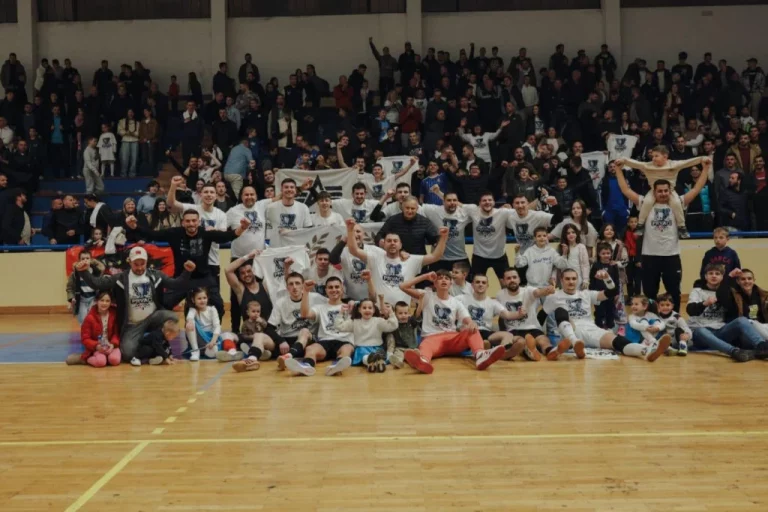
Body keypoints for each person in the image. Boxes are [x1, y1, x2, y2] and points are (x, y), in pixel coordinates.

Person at [615, 159, 711, 311]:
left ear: (670, 190)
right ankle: (652, 320)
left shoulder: (678, 202)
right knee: (649, 293)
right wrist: (619, 170)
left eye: (666, 191)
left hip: (671, 256)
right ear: (654, 191)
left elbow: (697, 188)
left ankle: (674, 320)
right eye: (660, 191)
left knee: (674, 293)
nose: (663, 193)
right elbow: (625, 190)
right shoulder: (644, 203)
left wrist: (705, 168)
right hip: (650, 256)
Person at [73, 247, 194, 362]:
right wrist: (84, 272)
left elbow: (176, 284)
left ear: (146, 262)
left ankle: (156, 340)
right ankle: (154, 348)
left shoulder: (155, 275)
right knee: (127, 353)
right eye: (136, 264)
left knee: (172, 317)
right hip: (132, 325)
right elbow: (98, 284)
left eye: (143, 264)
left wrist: (187, 272)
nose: (140, 268)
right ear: (130, 262)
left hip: (153, 318)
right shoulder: (120, 278)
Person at [125, 209, 251, 318]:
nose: (191, 224)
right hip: (181, 279)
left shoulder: (206, 233)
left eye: (194, 221)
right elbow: (153, 234)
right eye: (188, 221)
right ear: (183, 222)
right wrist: (135, 227)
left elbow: (228, 236)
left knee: (219, 307)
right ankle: (162, 338)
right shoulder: (174, 233)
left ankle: (210, 335)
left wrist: (243, 228)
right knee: (161, 305)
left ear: (198, 221)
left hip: (203, 278)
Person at [543, 268, 670, 362]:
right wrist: (538, 337)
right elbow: (541, 315)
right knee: (561, 310)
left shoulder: (586, 294)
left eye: (574, 278)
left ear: (578, 280)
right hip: (569, 331)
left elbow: (612, 292)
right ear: (561, 280)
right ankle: (575, 342)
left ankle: (646, 352)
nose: (571, 282)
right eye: (567, 279)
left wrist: (607, 278)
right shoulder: (554, 296)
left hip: (590, 328)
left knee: (615, 340)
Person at [398, 270, 506, 374]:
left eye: (446, 278)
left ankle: (480, 355)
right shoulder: (427, 296)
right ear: (435, 283)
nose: (444, 280)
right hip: (432, 338)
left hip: (452, 339)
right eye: (440, 278)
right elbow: (403, 286)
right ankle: (423, 361)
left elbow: (468, 320)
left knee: (473, 329)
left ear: (451, 283)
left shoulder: (456, 302)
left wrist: (472, 324)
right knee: (426, 345)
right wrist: (425, 277)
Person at [346, 218, 448, 306]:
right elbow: (353, 250)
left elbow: (436, 256)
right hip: (380, 310)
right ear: (383, 244)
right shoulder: (375, 258)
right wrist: (350, 230)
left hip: (402, 312)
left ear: (400, 245)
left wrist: (443, 238)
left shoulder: (411, 260)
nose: (392, 243)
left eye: (395, 241)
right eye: (389, 241)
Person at [615, 149, 707, 238]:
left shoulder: (674, 165)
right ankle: (640, 225)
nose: (653, 158)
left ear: (665, 156)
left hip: (670, 191)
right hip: (653, 191)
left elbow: (689, 162)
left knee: (676, 203)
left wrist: (702, 159)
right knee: (646, 202)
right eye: (652, 156)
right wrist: (623, 160)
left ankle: (682, 227)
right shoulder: (647, 165)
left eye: (656, 156)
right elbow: (634, 163)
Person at [686, 264, 767, 362]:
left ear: (722, 277)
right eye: (710, 273)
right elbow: (690, 310)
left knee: (741, 321)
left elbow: (723, 293)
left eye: (717, 274)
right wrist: (704, 304)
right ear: (705, 276)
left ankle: (763, 347)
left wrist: (730, 277)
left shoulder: (727, 293)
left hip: (720, 331)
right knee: (701, 331)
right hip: (700, 333)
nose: (714, 276)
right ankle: (734, 352)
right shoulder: (697, 291)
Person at [495, 268, 562, 361]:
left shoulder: (528, 290)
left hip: (532, 327)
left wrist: (547, 290)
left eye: (514, 277)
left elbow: (538, 292)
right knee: (518, 342)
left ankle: (550, 351)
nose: (512, 280)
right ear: (504, 281)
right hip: (513, 329)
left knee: (543, 340)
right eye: (508, 278)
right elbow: (499, 314)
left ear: (519, 279)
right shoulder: (500, 295)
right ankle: (528, 350)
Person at [457, 273, 526, 359]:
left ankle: (501, 353)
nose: (480, 284)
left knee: (508, 335)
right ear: (472, 285)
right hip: (468, 332)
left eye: (483, 282)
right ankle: (485, 349)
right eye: (477, 282)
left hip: (486, 332)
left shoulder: (492, 302)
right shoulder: (461, 299)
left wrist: (519, 314)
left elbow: (507, 315)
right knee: (483, 341)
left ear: (487, 285)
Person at [419, 191, 472, 273]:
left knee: (468, 284)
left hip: (459, 257)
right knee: (432, 285)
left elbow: (479, 211)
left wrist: (439, 193)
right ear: (443, 202)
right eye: (449, 200)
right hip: (438, 257)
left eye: (455, 200)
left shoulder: (464, 213)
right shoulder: (434, 210)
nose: (452, 203)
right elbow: (413, 206)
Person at [71, 291, 121, 368]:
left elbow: (116, 334)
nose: (104, 303)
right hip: (97, 347)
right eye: (102, 300)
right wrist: (97, 346)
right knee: (101, 362)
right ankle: (86, 359)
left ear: (111, 302)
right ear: (96, 301)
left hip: (111, 346)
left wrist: (112, 345)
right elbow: (85, 338)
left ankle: (107, 358)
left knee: (115, 360)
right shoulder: (89, 318)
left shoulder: (114, 314)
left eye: (107, 301)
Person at [66, 249, 105, 325]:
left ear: (91, 260)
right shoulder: (75, 274)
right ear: (79, 261)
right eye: (82, 259)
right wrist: (72, 298)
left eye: (87, 258)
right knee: (83, 321)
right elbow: (70, 288)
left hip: (93, 299)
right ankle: (85, 336)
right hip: (81, 300)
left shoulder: (96, 272)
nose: (85, 260)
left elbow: (101, 285)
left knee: (94, 320)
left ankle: (93, 335)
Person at [185, 287, 222, 361]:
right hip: (198, 339)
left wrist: (213, 341)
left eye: (204, 298)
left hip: (210, 339)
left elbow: (217, 326)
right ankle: (195, 350)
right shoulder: (193, 310)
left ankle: (205, 350)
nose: (202, 301)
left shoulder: (212, 309)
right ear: (193, 300)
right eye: (199, 298)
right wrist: (189, 322)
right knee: (190, 323)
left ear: (207, 298)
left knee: (213, 353)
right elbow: (190, 317)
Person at [384, 301, 420, 368]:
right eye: (400, 313)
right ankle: (398, 363)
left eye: (405, 313)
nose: (403, 315)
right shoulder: (394, 323)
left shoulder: (411, 321)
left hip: (411, 347)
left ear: (408, 313)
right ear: (395, 314)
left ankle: (416, 359)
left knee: (413, 353)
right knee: (398, 355)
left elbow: (417, 314)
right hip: (399, 348)